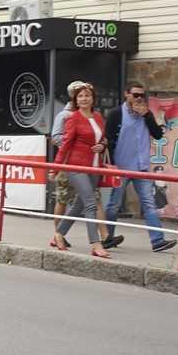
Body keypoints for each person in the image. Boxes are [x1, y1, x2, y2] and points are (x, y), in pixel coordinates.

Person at [103, 83, 171, 251]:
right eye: (135, 95)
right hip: (121, 167)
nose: (139, 98)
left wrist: (147, 115)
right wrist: (111, 165)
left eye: (142, 95)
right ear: (127, 94)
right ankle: (107, 237)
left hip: (141, 167)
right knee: (114, 204)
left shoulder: (146, 114)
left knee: (149, 204)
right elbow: (108, 140)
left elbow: (158, 134)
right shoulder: (116, 114)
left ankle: (158, 241)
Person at [51, 80, 112, 258]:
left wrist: (102, 145)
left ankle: (59, 234)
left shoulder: (99, 117)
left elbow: (101, 139)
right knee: (90, 203)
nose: (84, 99)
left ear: (93, 99)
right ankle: (95, 243)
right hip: (76, 166)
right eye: (80, 96)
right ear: (76, 100)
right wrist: (54, 168)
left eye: (87, 96)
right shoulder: (73, 118)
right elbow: (65, 145)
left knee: (79, 204)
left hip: (95, 166)